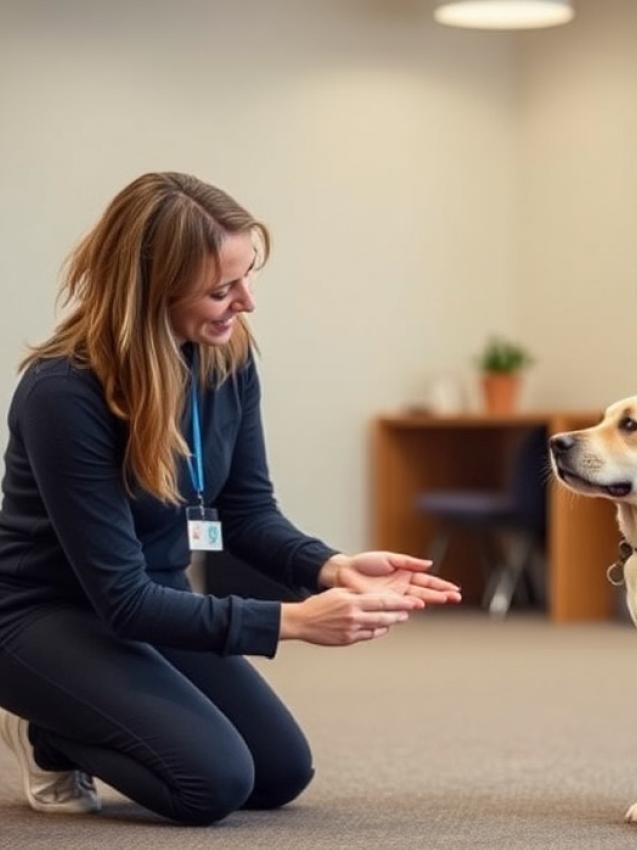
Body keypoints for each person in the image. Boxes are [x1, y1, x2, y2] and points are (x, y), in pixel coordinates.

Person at [0, 172, 461, 825]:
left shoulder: (225, 357)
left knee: (277, 773)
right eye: (221, 289)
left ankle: (81, 706)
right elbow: (122, 600)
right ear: (152, 290)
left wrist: (331, 568)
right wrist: (294, 621)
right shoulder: (62, 394)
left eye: (247, 278)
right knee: (209, 784)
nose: (245, 302)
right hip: (38, 618)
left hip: (154, 603)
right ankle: (45, 727)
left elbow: (245, 513)